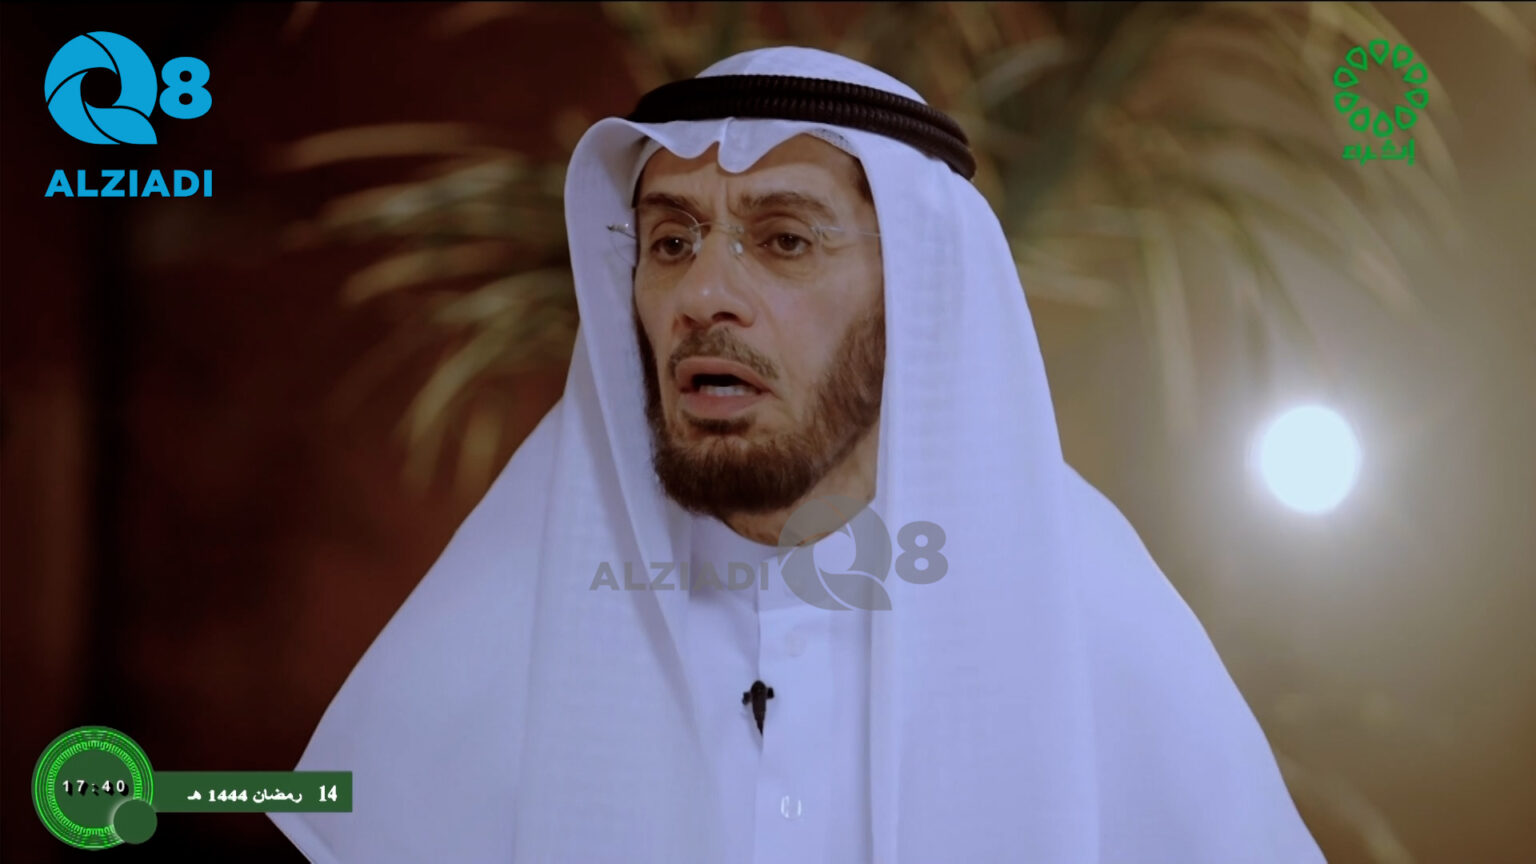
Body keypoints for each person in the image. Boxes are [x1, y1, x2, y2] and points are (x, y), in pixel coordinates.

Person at [271, 46, 1325, 863]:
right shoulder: (522, 589)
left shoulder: (1080, 595)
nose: (703, 295)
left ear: (916, 295)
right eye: (671, 242)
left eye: (783, 240)